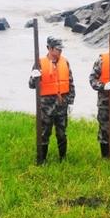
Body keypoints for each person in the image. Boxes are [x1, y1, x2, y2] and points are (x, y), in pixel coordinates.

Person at [29, 36, 75, 165]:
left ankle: (63, 158)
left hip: (62, 103)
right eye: (57, 49)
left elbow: (71, 83)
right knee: (44, 133)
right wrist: (35, 77)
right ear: (49, 48)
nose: (59, 52)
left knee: (62, 133)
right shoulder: (39, 63)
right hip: (46, 105)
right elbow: (31, 84)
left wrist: (70, 101)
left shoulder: (65, 62)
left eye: (61, 50)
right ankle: (41, 160)